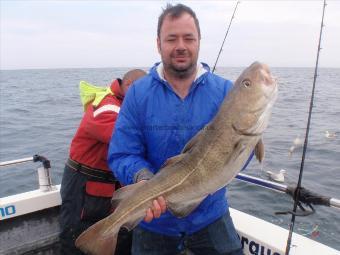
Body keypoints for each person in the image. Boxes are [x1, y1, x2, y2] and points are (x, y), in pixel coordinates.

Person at [108, 4, 245, 255]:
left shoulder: (226, 92)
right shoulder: (138, 93)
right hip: (154, 223)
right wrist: (143, 180)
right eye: (172, 38)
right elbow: (122, 153)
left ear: (199, 42)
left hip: (211, 216)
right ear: (159, 44)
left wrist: (248, 137)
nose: (181, 45)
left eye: (188, 38)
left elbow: (238, 160)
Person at [59, 69, 146, 255]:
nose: (147, 98)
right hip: (84, 185)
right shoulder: (107, 107)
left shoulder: (127, 106)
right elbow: (126, 141)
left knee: (119, 239)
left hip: (111, 185)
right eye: (144, 92)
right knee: (77, 237)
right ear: (130, 85)